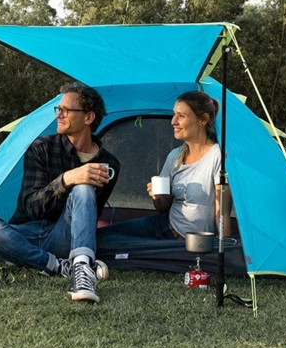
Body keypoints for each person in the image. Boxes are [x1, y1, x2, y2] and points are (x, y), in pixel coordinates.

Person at [0, 82, 120, 303]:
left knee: (83, 188)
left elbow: (90, 215)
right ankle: (60, 266)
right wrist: (67, 179)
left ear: (88, 117)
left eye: (66, 110)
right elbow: (32, 207)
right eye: (58, 109)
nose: (58, 115)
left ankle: (81, 271)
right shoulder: (41, 148)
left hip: (64, 236)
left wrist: (78, 184)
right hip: (26, 234)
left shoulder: (109, 164)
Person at [97, 91, 230, 243]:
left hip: (188, 241)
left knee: (117, 245)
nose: (173, 121)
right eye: (174, 115)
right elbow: (163, 207)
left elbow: (223, 213)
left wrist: (225, 249)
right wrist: (158, 197)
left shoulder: (217, 156)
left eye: (181, 116)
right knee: (101, 237)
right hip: (162, 224)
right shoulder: (175, 156)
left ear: (203, 119)